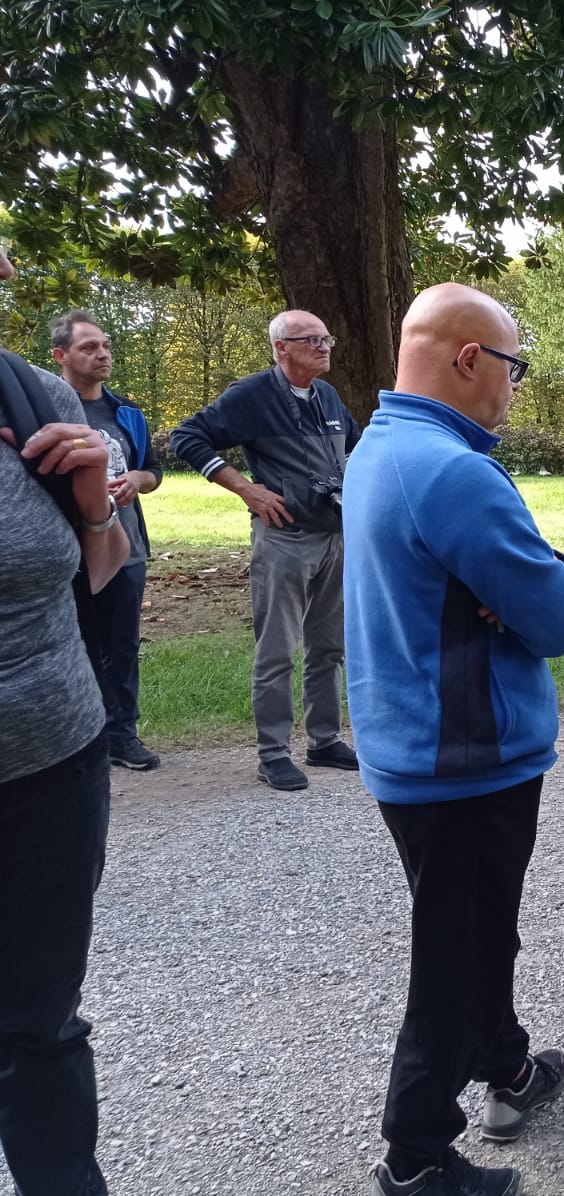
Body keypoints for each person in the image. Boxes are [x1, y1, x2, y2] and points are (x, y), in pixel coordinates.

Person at [343, 284, 564, 1196]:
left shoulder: (381, 445)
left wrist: (517, 584)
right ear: (468, 360)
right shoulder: (452, 470)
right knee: (453, 951)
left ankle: (508, 1063)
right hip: (464, 759)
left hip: (418, 746)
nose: (516, 388)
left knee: (481, 930)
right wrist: (555, 572)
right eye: (514, 367)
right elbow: (557, 616)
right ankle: (414, 1157)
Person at [0, 241, 130, 1196]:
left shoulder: (27, 394)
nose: (8, 269)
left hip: (54, 763)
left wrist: (93, 510)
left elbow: (98, 570)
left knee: (42, 1021)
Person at [170, 310, 362, 791]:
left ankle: (324, 741)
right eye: (311, 340)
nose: (324, 347)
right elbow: (187, 437)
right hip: (286, 539)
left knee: (329, 646)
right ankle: (273, 753)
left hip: (335, 535)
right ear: (281, 347)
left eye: (327, 337)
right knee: (278, 649)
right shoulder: (252, 395)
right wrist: (246, 490)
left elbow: (358, 446)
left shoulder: (329, 396)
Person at [51, 308, 164, 770]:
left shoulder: (126, 414)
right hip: (64, 551)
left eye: (106, 345)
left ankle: (121, 733)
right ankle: (76, 737)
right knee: (71, 643)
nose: (103, 354)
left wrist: (137, 478)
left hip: (126, 547)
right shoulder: (44, 410)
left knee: (121, 644)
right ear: (61, 355)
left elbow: (154, 472)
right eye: (89, 347)